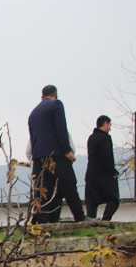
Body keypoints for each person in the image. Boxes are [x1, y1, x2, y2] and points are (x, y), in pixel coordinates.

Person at [27, 84, 85, 223]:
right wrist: (67, 151)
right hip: (56, 154)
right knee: (69, 185)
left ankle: (41, 221)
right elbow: (61, 128)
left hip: (39, 158)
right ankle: (80, 217)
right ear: (55, 95)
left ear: (42, 97)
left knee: (43, 191)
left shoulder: (33, 113)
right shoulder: (56, 105)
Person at [84, 115, 120, 221]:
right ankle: (105, 221)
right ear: (105, 124)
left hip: (91, 175)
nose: (110, 128)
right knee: (114, 199)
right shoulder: (105, 138)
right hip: (103, 175)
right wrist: (112, 171)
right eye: (109, 125)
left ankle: (91, 223)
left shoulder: (91, 138)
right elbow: (106, 156)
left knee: (92, 202)